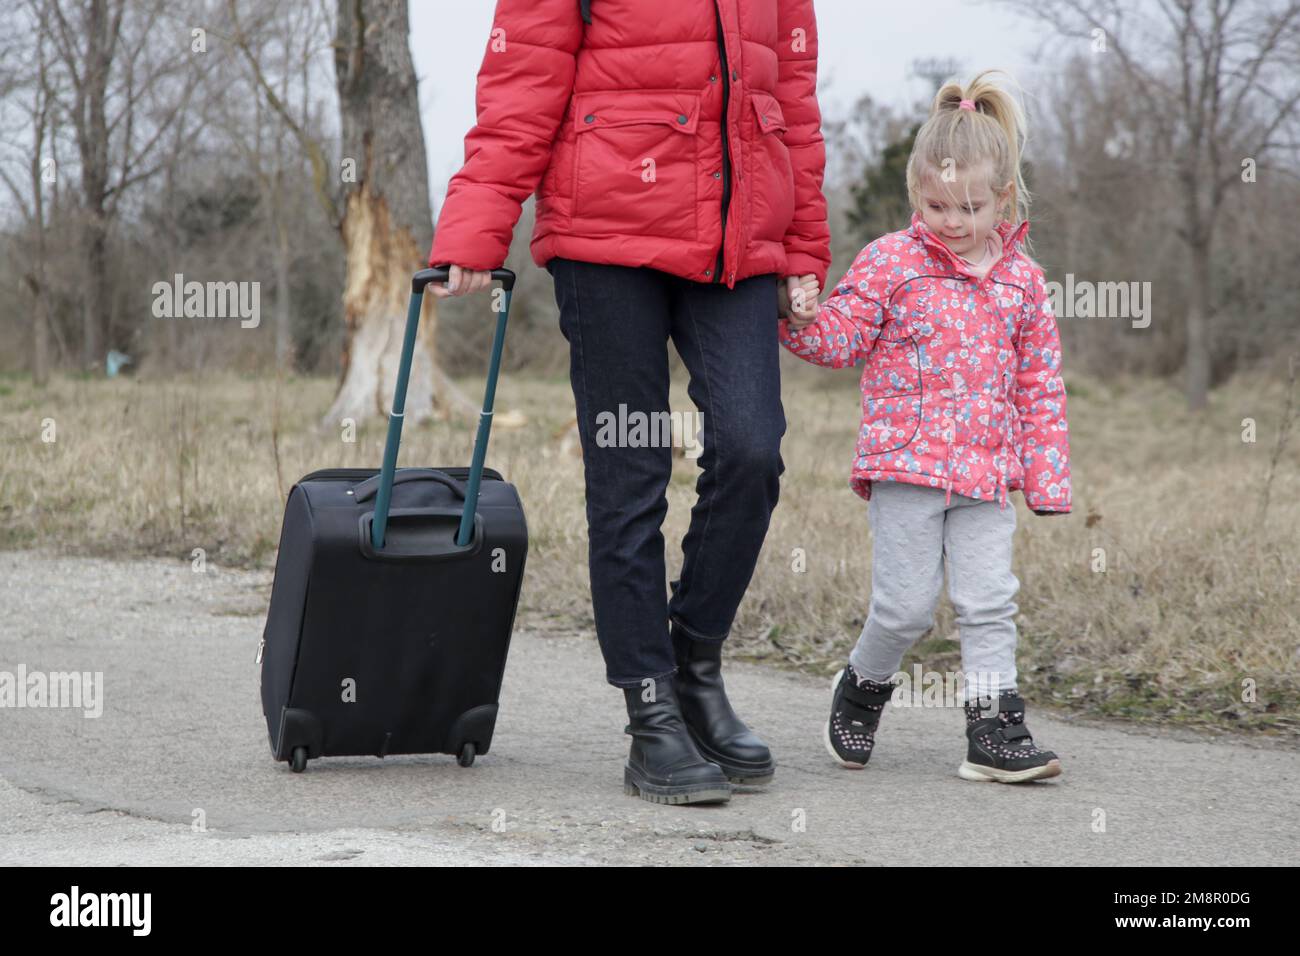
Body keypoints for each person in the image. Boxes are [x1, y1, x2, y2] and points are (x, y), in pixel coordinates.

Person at [429, 0, 830, 804]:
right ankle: (651, 712)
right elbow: (524, 80)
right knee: (631, 469)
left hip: (737, 238)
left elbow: (792, 97)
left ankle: (694, 662)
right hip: (605, 236)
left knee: (752, 449)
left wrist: (802, 246)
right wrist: (478, 223)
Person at [781, 71, 1070, 784]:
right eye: (937, 204)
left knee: (988, 600)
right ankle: (863, 688)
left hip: (984, 474)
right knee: (906, 609)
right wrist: (800, 315)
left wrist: (1046, 475)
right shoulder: (890, 264)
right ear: (916, 192)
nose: (952, 220)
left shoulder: (1023, 283)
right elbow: (840, 342)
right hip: (904, 469)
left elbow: (1040, 385)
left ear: (1003, 197)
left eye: (970, 206)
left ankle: (994, 730)